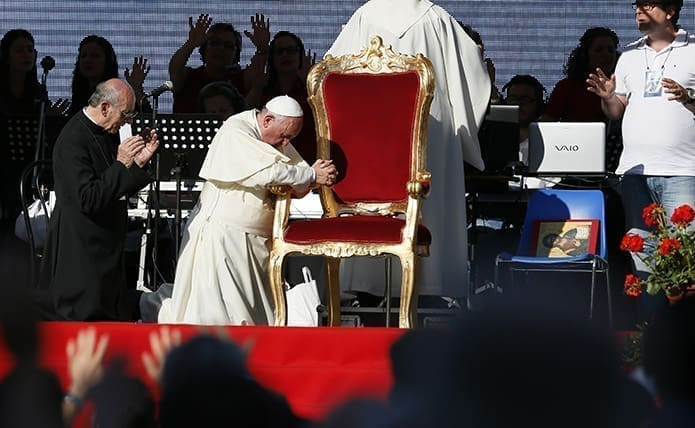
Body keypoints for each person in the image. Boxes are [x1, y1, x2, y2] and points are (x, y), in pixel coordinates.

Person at [326, 0, 490, 302]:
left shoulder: (364, 15)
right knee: (429, 202)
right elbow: (473, 74)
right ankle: (429, 287)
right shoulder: (437, 18)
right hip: (429, 125)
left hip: (372, 129)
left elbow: (331, 72)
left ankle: (369, 288)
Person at [157, 96, 337, 325]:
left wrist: (314, 176)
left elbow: (293, 171)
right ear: (268, 120)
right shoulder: (236, 130)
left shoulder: (273, 135)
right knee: (217, 313)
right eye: (284, 136)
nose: (285, 143)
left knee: (253, 312)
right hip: (223, 238)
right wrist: (311, 175)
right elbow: (270, 172)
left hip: (256, 240)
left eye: (289, 138)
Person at [587, 0, 695, 320]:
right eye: (636, 4)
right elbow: (616, 113)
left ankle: (683, 343)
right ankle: (651, 341)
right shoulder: (630, 55)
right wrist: (609, 98)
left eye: (646, 4)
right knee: (645, 264)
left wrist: (688, 98)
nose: (638, 10)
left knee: (684, 263)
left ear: (671, 10)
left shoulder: (692, 50)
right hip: (634, 172)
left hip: (682, 170)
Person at [39, 78, 159, 321]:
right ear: (105, 107)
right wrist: (122, 163)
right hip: (82, 253)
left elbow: (112, 184)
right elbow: (88, 198)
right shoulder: (73, 139)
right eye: (125, 114)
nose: (128, 122)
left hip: (105, 248)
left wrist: (137, 163)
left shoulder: (105, 131)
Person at [169, 13, 270, 113]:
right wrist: (191, 43)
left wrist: (262, 48)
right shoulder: (189, 77)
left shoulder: (239, 79)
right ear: (204, 48)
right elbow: (175, 68)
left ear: (236, 54)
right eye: (215, 43)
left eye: (228, 45)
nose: (221, 49)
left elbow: (258, 75)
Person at [246, 30, 317, 162]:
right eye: (279, 51)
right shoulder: (264, 87)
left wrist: (309, 84)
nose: (285, 55)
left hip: (305, 159)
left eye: (290, 50)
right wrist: (257, 87)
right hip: (268, 159)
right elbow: (246, 115)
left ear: (300, 56)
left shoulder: (310, 89)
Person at [543, 27, 619, 122]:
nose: (606, 55)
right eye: (598, 50)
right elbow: (547, 123)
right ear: (585, 55)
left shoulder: (623, 86)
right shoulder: (566, 88)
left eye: (610, 50)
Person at [68, 35, 152, 116]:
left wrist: (136, 89)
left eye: (95, 56)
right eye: (83, 56)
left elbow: (146, 120)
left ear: (107, 61)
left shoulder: (118, 95)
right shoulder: (79, 98)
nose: (87, 60)